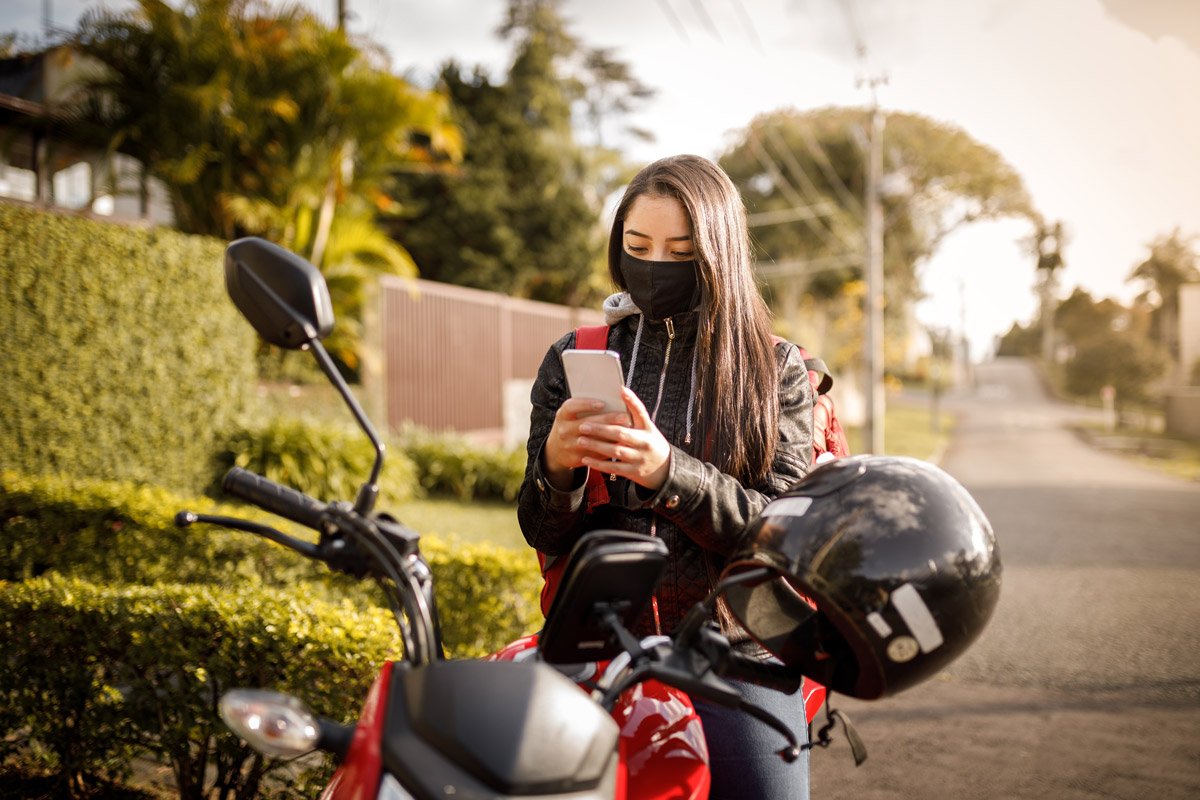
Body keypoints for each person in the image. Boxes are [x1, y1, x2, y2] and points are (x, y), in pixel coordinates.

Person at [517, 154, 816, 799]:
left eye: (680, 250)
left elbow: (783, 534)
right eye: (637, 245)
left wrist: (666, 473)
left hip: (738, 655)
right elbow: (539, 527)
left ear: (718, 252)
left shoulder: (777, 371)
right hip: (596, 640)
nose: (655, 265)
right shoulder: (578, 355)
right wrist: (558, 470)